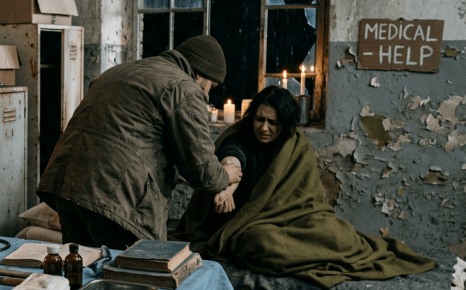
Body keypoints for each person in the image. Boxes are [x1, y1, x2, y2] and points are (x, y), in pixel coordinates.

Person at [171, 86, 435, 288]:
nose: (264, 128)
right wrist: (226, 190)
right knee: (262, 243)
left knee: (338, 234)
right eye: (259, 119)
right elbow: (231, 162)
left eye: (273, 122)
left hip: (295, 216)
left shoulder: (295, 145)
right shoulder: (239, 139)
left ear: (285, 124)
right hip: (247, 223)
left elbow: (307, 199)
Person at [36, 35, 242, 250]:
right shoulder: (185, 87)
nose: (207, 93)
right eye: (211, 86)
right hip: (113, 198)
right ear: (199, 73)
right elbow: (202, 170)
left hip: (66, 186)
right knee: (138, 267)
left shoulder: (119, 71)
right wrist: (225, 175)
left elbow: (131, 138)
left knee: (83, 266)